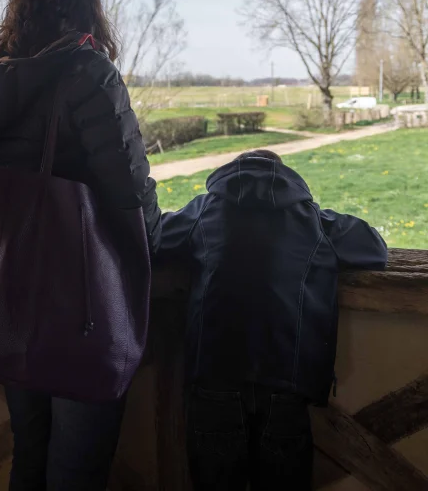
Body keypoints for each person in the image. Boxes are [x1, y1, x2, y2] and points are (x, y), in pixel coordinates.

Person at [0, 0, 161, 490]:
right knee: (77, 471)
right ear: (88, 1)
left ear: (18, 0)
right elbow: (132, 196)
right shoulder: (88, 76)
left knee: (29, 453)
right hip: (80, 315)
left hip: (0, 309)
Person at [158, 149, 387, 491]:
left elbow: (155, 239)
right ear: (286, 179)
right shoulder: (313, 219)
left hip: (214, 376)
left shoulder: (204, 210)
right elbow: (377, 249)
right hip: (286, 380)